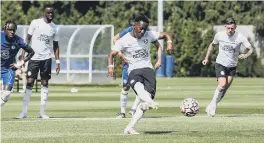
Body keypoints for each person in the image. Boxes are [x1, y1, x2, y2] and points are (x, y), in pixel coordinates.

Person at [108, 15, 174, 134]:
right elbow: (111, 54)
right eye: (140, 29)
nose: (142, 31)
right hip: (133, 69)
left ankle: (130, 127)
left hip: (148, 69)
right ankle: (147, 101)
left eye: (144, 29)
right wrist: (111, 67)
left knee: (145, 104)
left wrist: (169, 43)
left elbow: (167, 34)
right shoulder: (124, 39)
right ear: (135, 26)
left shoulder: (149, 34)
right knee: (137, 85)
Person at [202, 17, 253, 117]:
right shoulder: (219, 35)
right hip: (220, 63)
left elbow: (251, 49)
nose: (230, 30)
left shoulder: (240, 37)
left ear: (235, 27)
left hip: (232, 66)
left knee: (224, 89)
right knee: (222, 84)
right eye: (228, 28)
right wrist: (207, 58)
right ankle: (213, 108)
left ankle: (211, 105)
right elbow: (212, 45)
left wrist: (246, 55)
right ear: (225, 27)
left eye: (232, 28)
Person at [16, 4, 60, 119]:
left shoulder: (55, 28)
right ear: (44, 13)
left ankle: (42, 113)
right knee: (30, 82)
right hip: (34, 58)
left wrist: (58, 61)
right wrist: (23, 56)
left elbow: (56, 46)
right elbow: (27, 40)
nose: (50, 15)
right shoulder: (35, 23)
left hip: (46, 58)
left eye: (52, 13)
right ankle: (24, 112)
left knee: (45, 83)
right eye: (48, 12)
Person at [1, 20, 35, 107]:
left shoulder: (18, 40)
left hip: (8, 69)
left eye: (13, 30)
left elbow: (31, 52)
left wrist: (20, 64)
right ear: (5, 29)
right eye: (10, 30)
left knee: (6, 95)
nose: (12, 32)